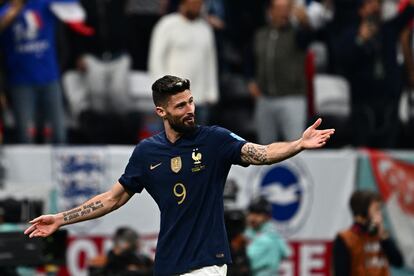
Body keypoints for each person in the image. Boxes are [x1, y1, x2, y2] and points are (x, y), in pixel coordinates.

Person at [24, 75, 334, 275]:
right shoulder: (147, 153)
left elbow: (261, 153)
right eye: (180, 105)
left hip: (208, 263)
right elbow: (113, 198)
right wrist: (61, 219)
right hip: (169, 264)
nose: (189, 109)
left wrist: (298, 144)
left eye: (190, 101)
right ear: (161, 112)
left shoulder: (215, 140)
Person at [337, 0, 414, 148]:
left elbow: (408, 13)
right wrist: (359, 40)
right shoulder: (350, 33)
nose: (375, 7)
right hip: (363, 103)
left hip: (388, 102)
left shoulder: (388, 30)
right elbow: (343, 61)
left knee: (388, 149)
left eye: (377, 3)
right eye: (370, 4)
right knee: (364, 148)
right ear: (361, 10)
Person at [0, 0, 78, 143]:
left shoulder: (44, 4)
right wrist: (7, 19)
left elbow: (73, 6)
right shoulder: (5, 11)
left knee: (59, 133)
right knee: (25, 136)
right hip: (20, 82)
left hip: (50, 79)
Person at [248, 0, 315, 144]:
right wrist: (251, 81)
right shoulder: (261, 34)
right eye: (279, 9)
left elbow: (309, 36)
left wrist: (305, 22)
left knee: (296, 145)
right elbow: (251, 60)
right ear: (270, 11)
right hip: (265, 98)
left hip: (292, 98)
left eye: (286, 9)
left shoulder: (297, 34)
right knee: (264, 148)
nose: (284, 12)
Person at [148, 0, 219, 126]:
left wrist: (212, 92)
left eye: (199, 4)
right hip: (173, 99)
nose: (196, 7)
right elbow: (156, 60)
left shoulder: (205, 28)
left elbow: (210, 62)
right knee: (169, 142)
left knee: (198, 143)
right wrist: (162, 92)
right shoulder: (167, 24)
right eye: (193, 3)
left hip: (199, 99)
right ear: (183, 3)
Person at [332, 190, 404, 276]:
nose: (380, 214)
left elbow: (398, 262)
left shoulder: (381, 236)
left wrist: (382, 234)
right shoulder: (345, 238)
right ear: (362, 212)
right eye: (376, 209)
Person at [244, 196, 291, 276]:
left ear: (267, 216)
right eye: (251, 212)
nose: (253, 217)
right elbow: (286, 252)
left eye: (258, 213)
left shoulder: (270, 235)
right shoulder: (249, 232)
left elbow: (286, 252)